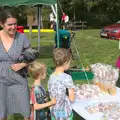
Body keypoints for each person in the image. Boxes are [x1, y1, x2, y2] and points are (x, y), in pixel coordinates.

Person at [0, 9, 38, 120]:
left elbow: (33, 54)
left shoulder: (22, 38)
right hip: (1, 80)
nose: (13, 27)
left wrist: (23, 64)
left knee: (25, 110)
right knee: (1, 112)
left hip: (19, 80)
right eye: (10, 24)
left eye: (15, 24)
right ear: (1, 24)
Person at [48, 48, 75, 120]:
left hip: (54, 111)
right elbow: (72, 98)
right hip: (65, 112)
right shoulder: (67, 77)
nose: (69, 64)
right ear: (65, 62)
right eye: (69, 62)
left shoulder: (51, 76)